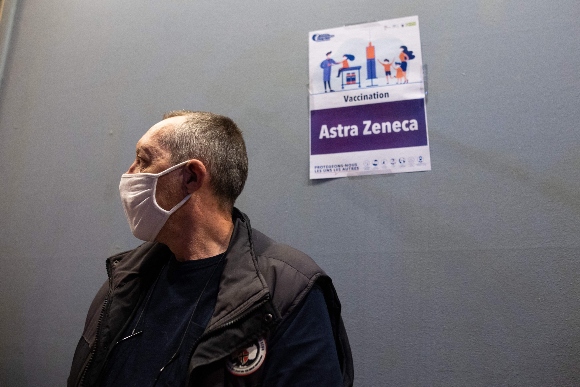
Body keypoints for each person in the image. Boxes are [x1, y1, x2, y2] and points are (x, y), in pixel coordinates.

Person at [67, 111, 354, 387]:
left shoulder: (287, 292)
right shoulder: (123, 279)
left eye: (143, 161)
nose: (129, 174)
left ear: (191, 177)